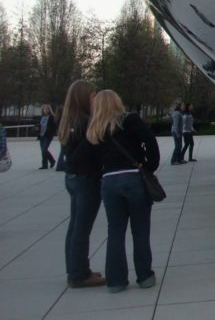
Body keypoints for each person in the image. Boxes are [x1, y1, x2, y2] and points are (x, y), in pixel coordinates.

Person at [73, 89, 160, 293]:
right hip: (133, 177)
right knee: (140, 230)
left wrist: (101, 168)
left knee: (115, 231)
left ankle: (116, 281)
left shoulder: (96, 128)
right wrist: (149, 166)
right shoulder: (130, 120)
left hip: (110, 182)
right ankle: (144, 276)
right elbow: (150, 140)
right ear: (117, 102)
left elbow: (78, 159)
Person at [58, 80, 105, 288]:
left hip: (73, 178)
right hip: (87, 178)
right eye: (93, 96)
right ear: (85, 97)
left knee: (75, 226)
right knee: (82, 228)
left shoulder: (68, 121)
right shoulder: (86, 123)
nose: (95, 100)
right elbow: (88, 153)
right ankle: (79, 274)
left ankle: (76, 268)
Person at [39, 104, 57, 169]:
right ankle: (45, 165)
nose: (46, 110)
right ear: (42, 110)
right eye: (45, 109)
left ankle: (52, 161)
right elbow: (39, 125)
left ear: (49, 110)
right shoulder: (41, 117)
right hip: (41, 135)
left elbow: (54, 126)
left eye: (47, 109)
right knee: (43, 151)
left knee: (44, 150)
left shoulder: (52, 117)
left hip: (48, 136)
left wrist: (51, 133)